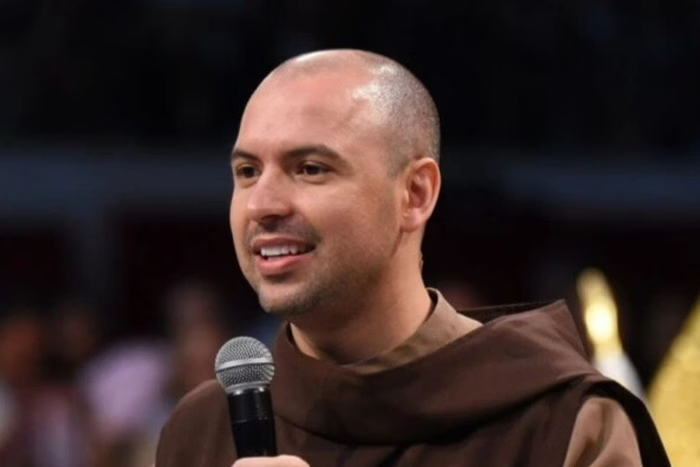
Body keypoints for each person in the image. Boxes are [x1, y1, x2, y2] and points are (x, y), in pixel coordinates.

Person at [155, 49, 669, 466]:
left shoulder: (563, 423)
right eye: (247, 172)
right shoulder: (202, 429)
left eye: (310, 168)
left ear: (415, 194)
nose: (262, 205)